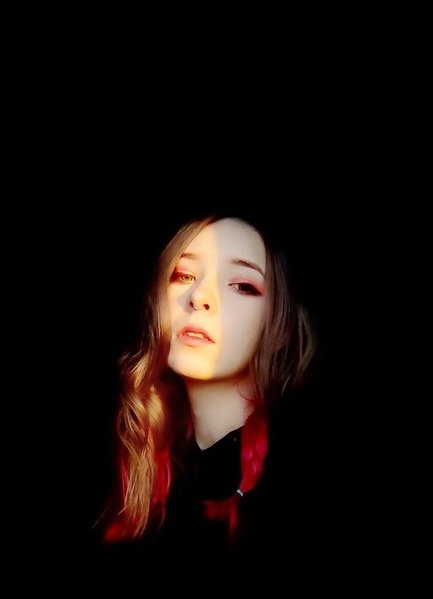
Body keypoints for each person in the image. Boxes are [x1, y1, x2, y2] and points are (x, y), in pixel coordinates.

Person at [99, 214, 317, 556]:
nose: (200, 296)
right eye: (184, 275)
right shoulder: (135, 464)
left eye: (242, 285)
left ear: (280, 326)